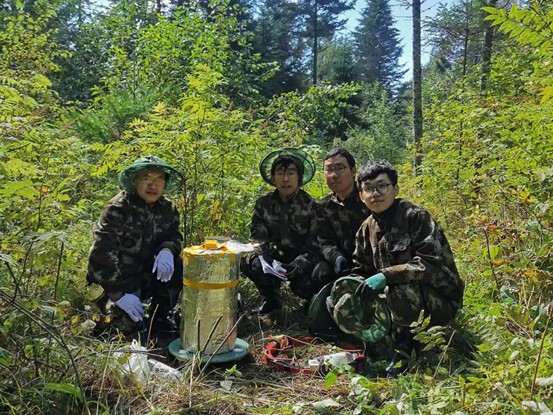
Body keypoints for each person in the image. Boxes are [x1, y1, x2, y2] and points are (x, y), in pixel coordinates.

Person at [352, 159, 464, 375]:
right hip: (399, 303)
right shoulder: (366, 229)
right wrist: (354, 288)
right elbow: (361, 269)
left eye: (382, 186)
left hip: (438, 301)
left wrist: (387, 275)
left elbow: (430, 264)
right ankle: (376, 344)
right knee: (351, 295)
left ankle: (406, 351)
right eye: (368, 188)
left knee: (398, 288)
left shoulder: (415, 217)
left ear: (395, 189)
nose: (375, 193)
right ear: (361, 196)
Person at [86, 156, 184, 337]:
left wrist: (167, 250)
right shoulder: (117, 209)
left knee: (177, 264)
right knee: (123, 332)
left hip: (143, 275)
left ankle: (161, 317)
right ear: (134, 181)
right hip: (112, 281)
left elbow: (173, 236)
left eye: (159, 179)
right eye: (147, 178)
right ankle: (108, 315)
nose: (153, 185)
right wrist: (118, 295)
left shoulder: (167, 208)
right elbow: (101, 255)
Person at [240, 148, 319, 314]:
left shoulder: (311, 206)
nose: (285, 179)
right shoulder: (263, 204)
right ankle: (271, 300)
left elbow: (314, 245)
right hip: (274, 258)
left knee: (309, 280)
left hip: (301, 261)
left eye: (291, 173)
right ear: (273, 178)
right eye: (280, 174)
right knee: (250, 261)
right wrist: (262, 258)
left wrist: (296, 265)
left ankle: (313, 303)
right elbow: (258, 237)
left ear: (299, 178)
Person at [309, 148, 370, 297]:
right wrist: (336, 257)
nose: (334, 175)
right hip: (341, 263)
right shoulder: (324, 206)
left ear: (353, 171)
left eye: (340, 168)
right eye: (329, 169)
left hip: (371, 262)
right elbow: (324, 241)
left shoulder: (369, 199)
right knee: (316, 274)